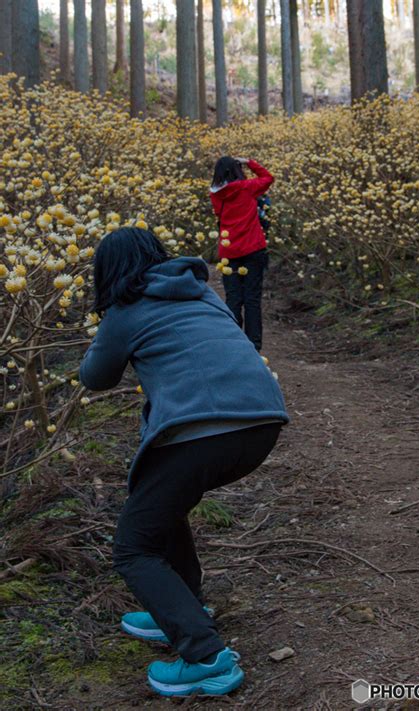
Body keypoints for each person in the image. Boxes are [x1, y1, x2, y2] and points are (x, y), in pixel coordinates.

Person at [79, 228, 289, 698]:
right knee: (158, 505)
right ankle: (180, 608)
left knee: (133, 547)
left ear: (107, 272)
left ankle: (206, 657)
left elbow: (95, 377)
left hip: (201, 431)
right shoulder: (201, 290)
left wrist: (103, 334)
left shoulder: (125, 309)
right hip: (262, 422)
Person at [210, 156, 274, 352]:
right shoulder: (247, 187)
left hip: (230, 251)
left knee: (233, 298)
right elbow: (268, 178)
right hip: (253, 248)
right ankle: (254, 345)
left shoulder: (215, 194)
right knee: (252, 299)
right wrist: (250, 162)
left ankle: (234, 344)